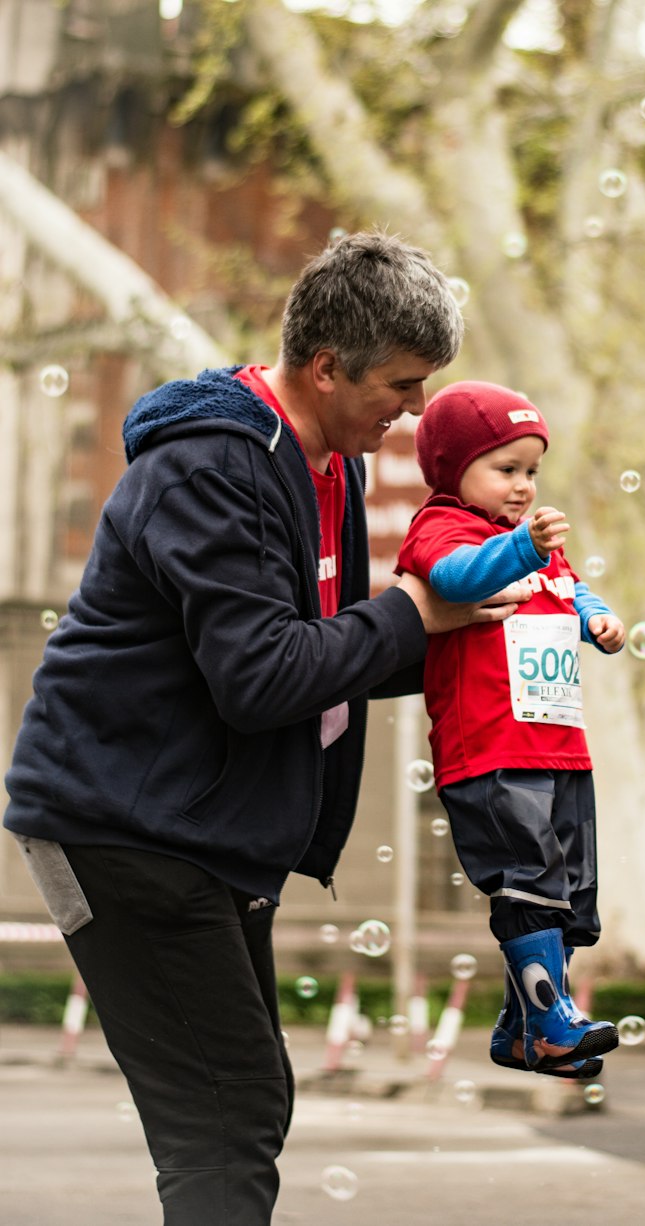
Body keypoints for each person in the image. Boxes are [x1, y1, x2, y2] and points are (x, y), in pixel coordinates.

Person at [3, 232, 525, 1225]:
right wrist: (414, 609)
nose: (414, 410)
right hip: (124, 823)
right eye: (402, 385)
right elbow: (262, 674)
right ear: (326, 366)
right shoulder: (218, 462)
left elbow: (329, 649)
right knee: (226, 1110)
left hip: (206, 827)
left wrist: (486, 638)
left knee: (246, 1100)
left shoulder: (329, 464)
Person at [395, 380, 626, 1081]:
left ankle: (525, 1028)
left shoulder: (535, 546)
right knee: (529, 878)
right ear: (452, 469)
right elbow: (458, 579)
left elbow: (570, 585)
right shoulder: (441, 528)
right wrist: (524, 548)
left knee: (569, 894)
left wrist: (597, 616)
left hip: (558, 745)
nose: (524, 486)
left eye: (532, 471)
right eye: (506, 469)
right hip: (491, 749)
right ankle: (549, 1027)